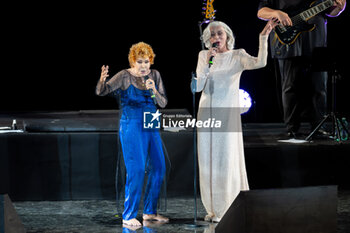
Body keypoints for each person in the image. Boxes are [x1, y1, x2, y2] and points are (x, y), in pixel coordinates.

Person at [193, 20, 276, 222]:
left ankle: (227, 207)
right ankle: (212, 208)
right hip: (206, 112)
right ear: (207, 39)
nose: (216, 38)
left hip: (227, 114)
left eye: (220, 33)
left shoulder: (238, 55)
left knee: (225, 159)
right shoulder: (204, 56)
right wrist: (207, 65)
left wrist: (263, 38)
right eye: (212, 35)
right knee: (207, 160)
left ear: (227, 35)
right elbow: (197, 87)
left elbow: (260, 63)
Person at [96, 42, 169, 226]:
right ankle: (128, 215)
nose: (144, 65)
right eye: (140, 62)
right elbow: (101, 91)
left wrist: (152, 89)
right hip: (132, 124)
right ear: (133, 61)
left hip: (151, 121)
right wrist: (102, 80)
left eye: (146, 61)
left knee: (159, 166)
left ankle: (149, 212)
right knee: (136, 169)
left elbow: (163, 103)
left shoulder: (155, 75)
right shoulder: (124, 76)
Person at [257, 0, 346, 138]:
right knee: (290, 87)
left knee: (319, 87)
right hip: (286, 40)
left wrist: (339, 8)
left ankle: (319, 126)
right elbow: (261, 12)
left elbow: (331, 12)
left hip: (316, 41)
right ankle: (292, 128)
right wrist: (276, 12)